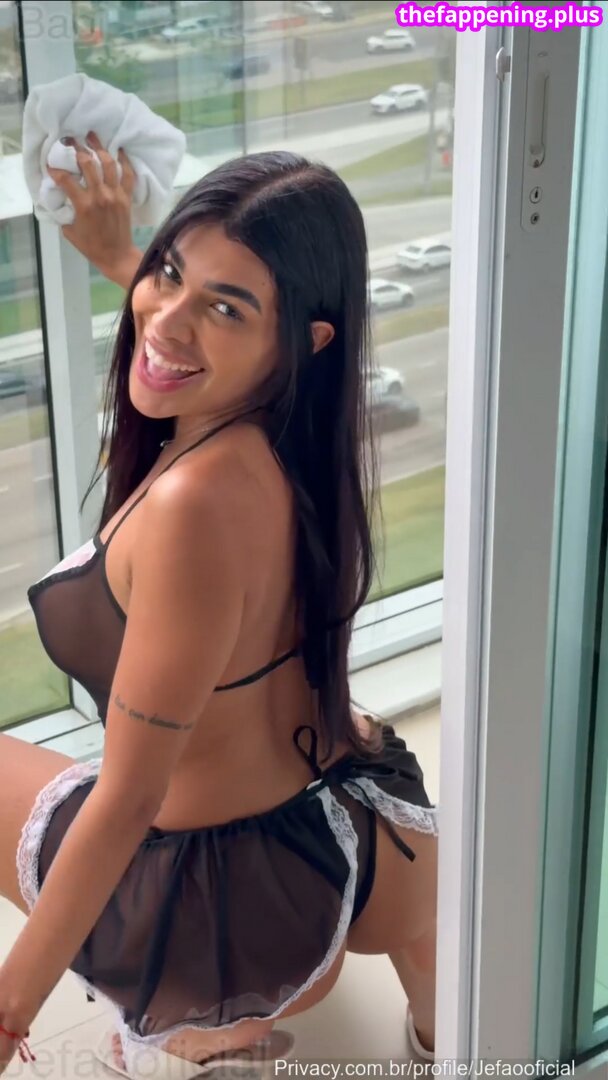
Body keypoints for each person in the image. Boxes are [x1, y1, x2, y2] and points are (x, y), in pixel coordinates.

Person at [0, 132, 438, 1077]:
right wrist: (127, 258)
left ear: (305, 341)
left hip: (228, 914)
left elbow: (129, 801)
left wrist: (7, 1013)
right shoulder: (296, 434)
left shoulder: (192, 507)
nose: (164, 321)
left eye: (224, 306)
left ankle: (210, 1035)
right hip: (371, 829)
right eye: (168, 273)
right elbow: (198, 323)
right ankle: (456, 1027)